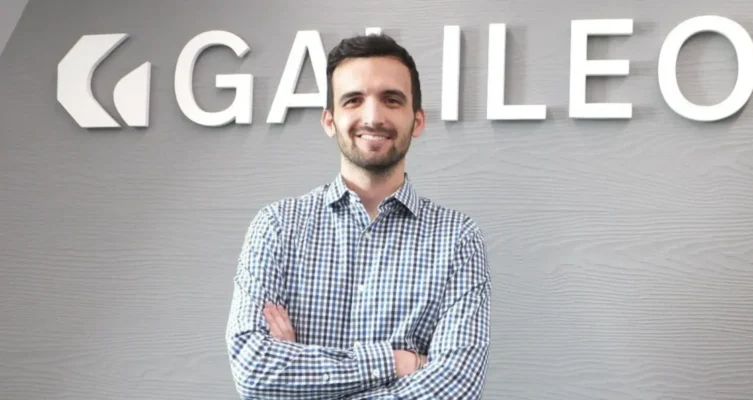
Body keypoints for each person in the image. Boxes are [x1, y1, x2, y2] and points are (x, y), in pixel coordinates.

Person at [225, 33, 491, 399]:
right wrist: (395, 362)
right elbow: (254, 372)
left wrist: (298, 378)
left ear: (417, 121)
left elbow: (455, 387)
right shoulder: (278, 227)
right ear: (329, 120)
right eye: (353, 100)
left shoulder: (457, 238)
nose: (373, 117)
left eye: (391, 100)